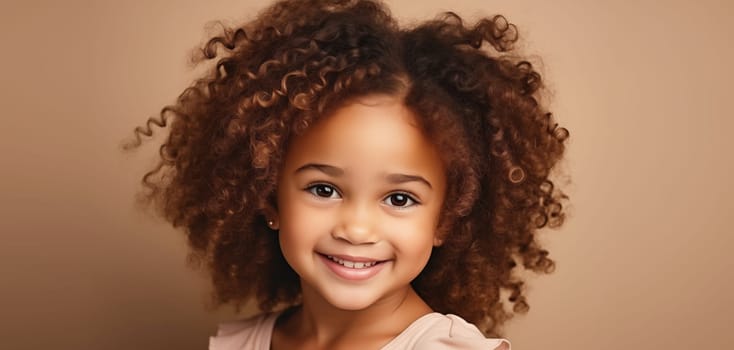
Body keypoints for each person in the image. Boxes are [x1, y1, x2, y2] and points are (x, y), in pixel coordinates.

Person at [126, 0, 569, 348]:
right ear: (268, 197)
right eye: (324, 189)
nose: (357, 229)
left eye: (399, 199)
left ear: (446, 219)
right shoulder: (243, 342)